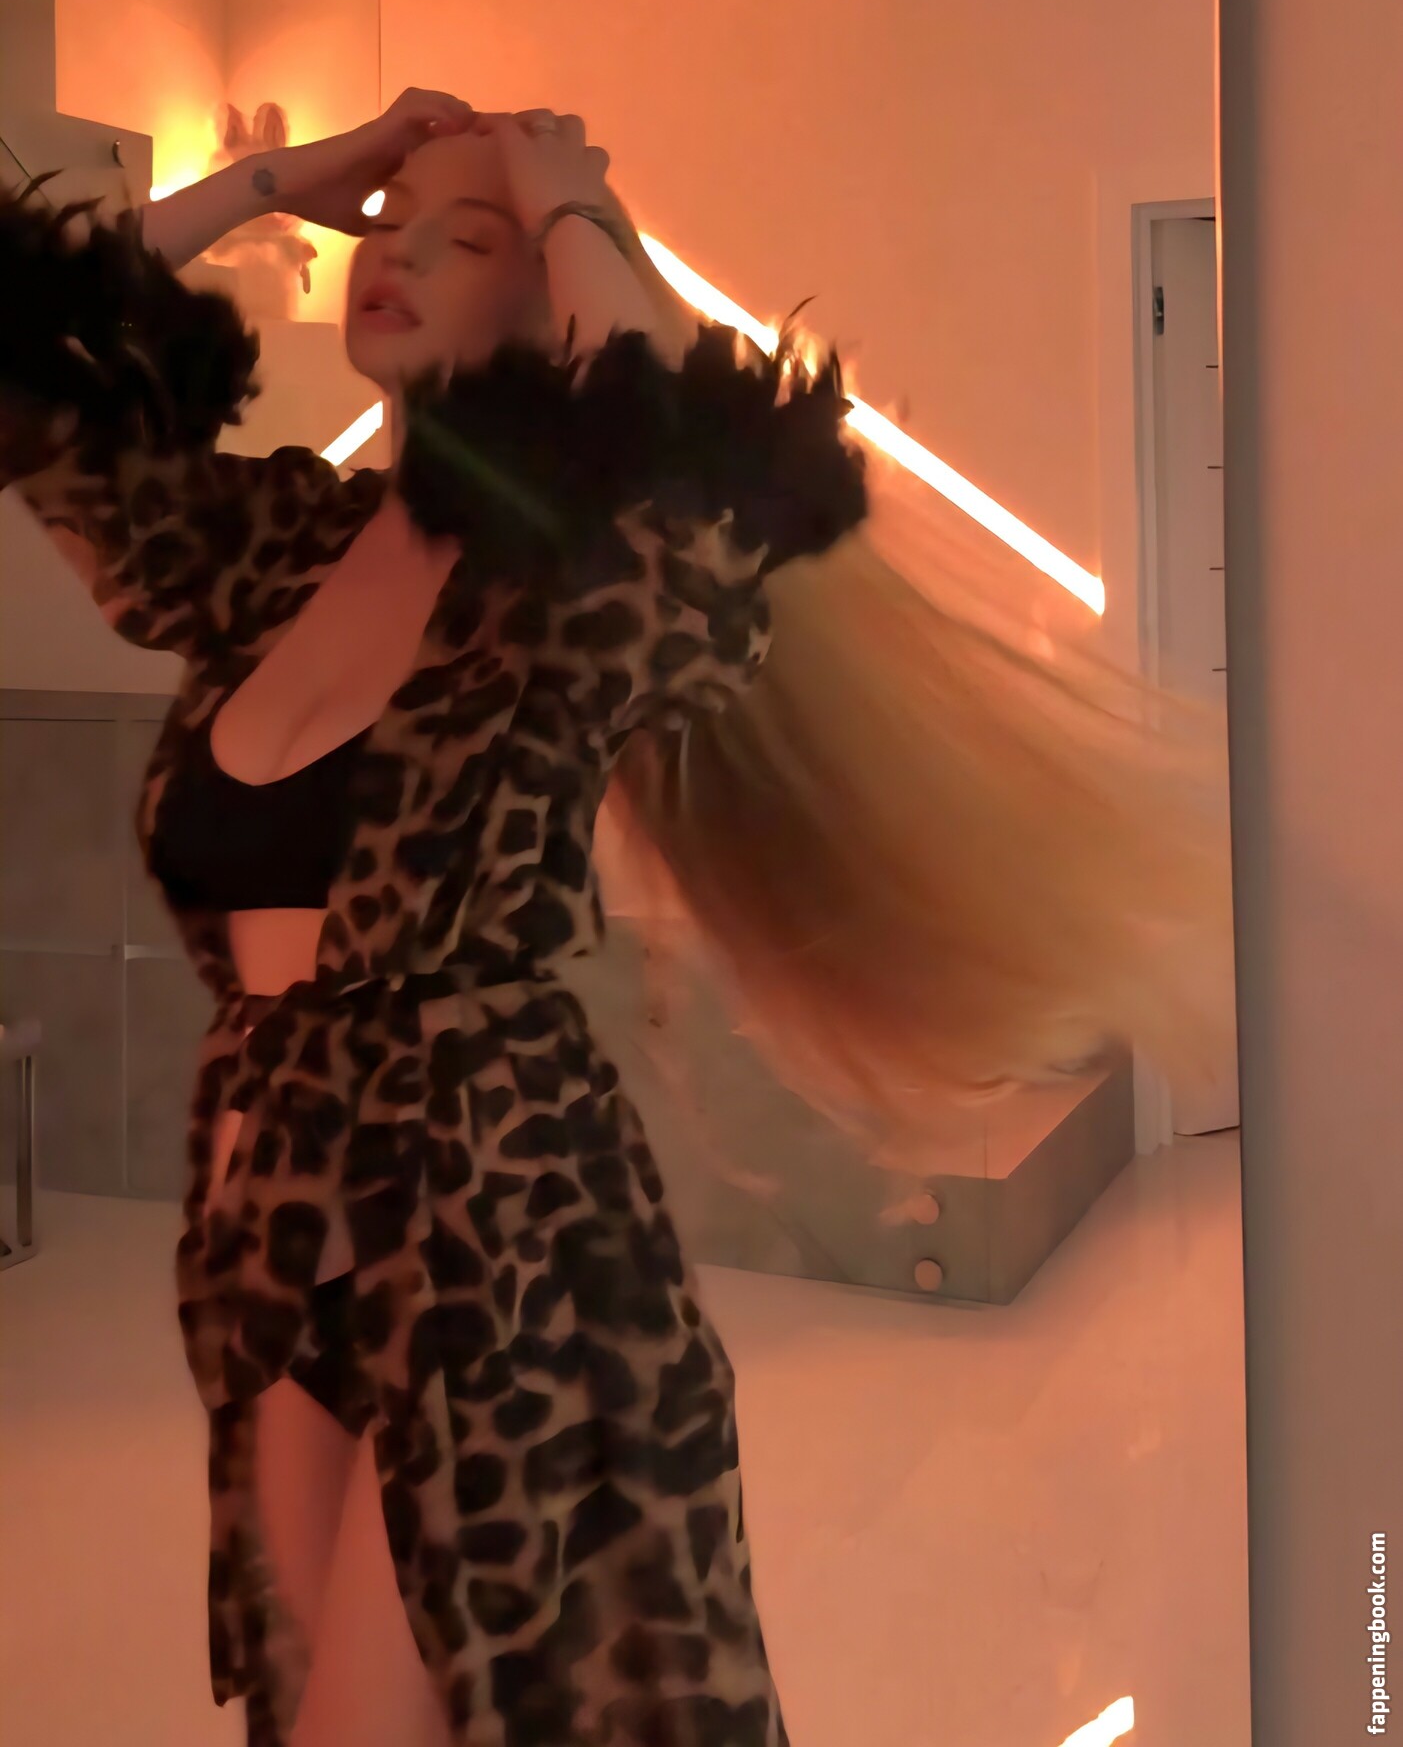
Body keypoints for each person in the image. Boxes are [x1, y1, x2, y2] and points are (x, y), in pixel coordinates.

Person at [0, 88, 1232, 1747]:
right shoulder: (274, 552)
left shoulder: (578, 585)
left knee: (404, 1708)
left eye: (467, 240)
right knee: (298, 1707)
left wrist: (570, 201)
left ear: (548, 310)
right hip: (266, 1219)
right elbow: (28, 365)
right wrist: (290, 174)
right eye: (393, 228)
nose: (398, 255)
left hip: (484, 1220)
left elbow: (719, 491)